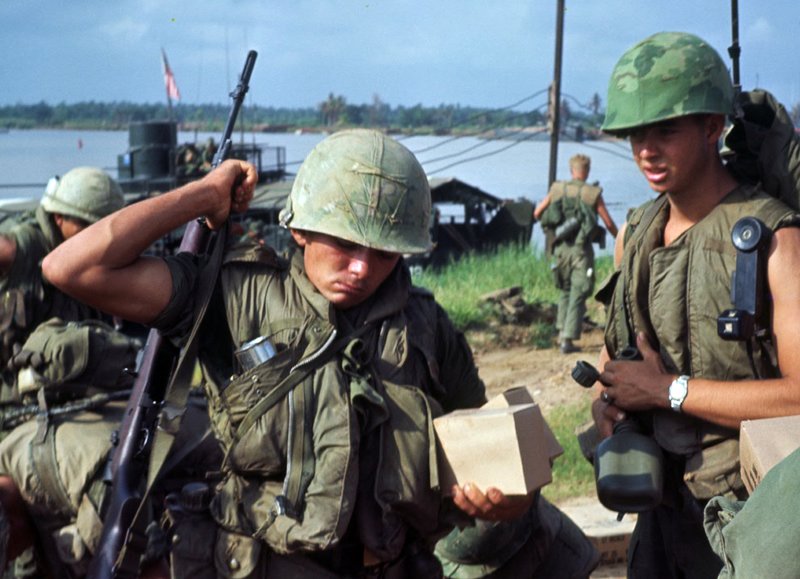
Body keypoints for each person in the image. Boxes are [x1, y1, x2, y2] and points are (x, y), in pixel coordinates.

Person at [43, 129, 597, 577]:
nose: (362, 268)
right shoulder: (234, 297)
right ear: (300, 229)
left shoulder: (426, 325)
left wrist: (505, 501)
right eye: (345, 244)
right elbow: (70, 268)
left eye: (382, 253)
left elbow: (482, 441)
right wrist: (202, 195)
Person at [591, 31, 800, 578]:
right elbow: (618, 364)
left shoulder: (773, 238)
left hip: (754, 515)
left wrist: (669, 391)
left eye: (666, 129)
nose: (646, 149)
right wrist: (611, 403)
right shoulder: (634, 234)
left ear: (713, 128)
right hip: (657, 510)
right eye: (635, 132)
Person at [0, 166, 125, 386]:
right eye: (87, 225)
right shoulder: (19, 248)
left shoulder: (99, 254)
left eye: (104, 228)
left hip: (73, 382)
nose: (96, 237)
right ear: (58, 218)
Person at [533, 154, 618, 354]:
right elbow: (607, 222)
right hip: (581, 250)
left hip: (560, 249)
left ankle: (562, 331)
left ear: (571, 170)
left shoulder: (557, 189)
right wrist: (622, 237)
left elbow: (537, 213)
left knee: (565, 289)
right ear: (587, 171)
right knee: (579, 292)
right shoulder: (592, 193)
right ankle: (567, 339)